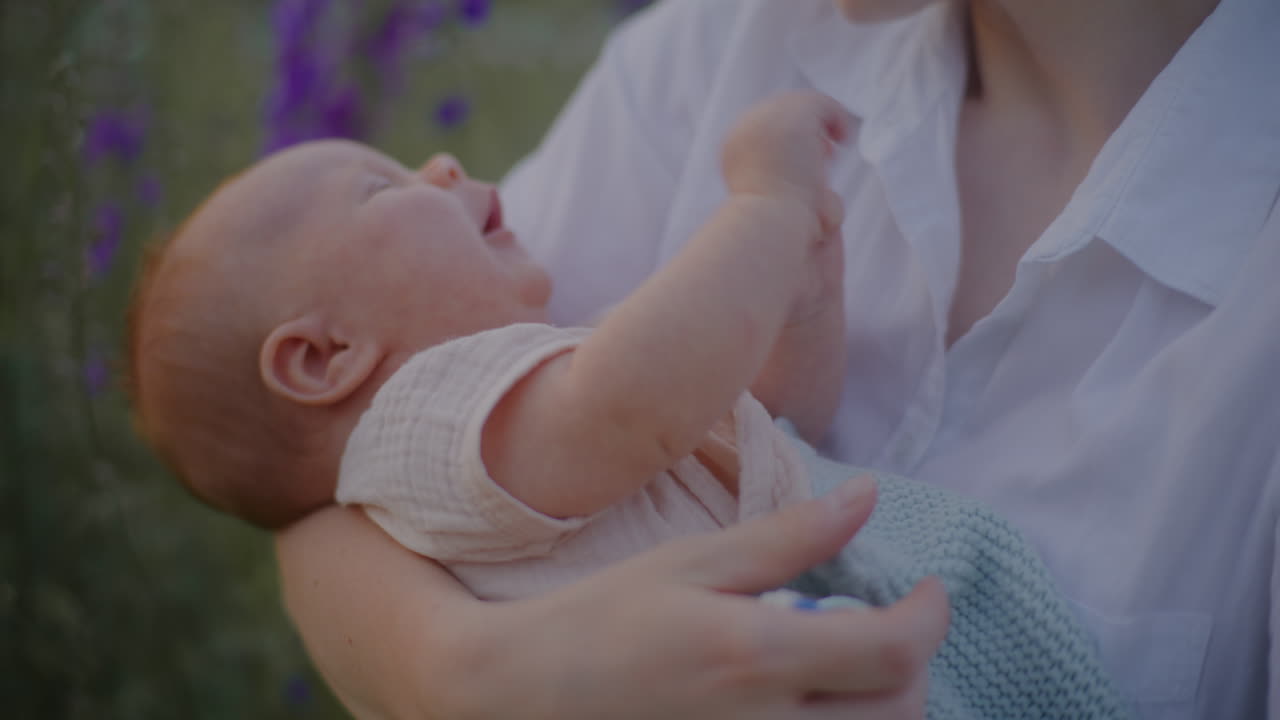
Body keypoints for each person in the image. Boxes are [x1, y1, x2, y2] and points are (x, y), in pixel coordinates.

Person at [276, 0, 1280, 717]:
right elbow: (325, 473)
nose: (439, 170)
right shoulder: (715, 47)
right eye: (382, 187)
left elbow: (742, 420)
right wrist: (472, 674)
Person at [129, 88, 1127, 716]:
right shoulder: (421, 430)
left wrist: (798, 301)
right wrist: (761, 209)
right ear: (323, 358)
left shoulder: (502, 423)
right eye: (382, 191)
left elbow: (759, 432)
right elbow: (629, 401)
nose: (437, 166)